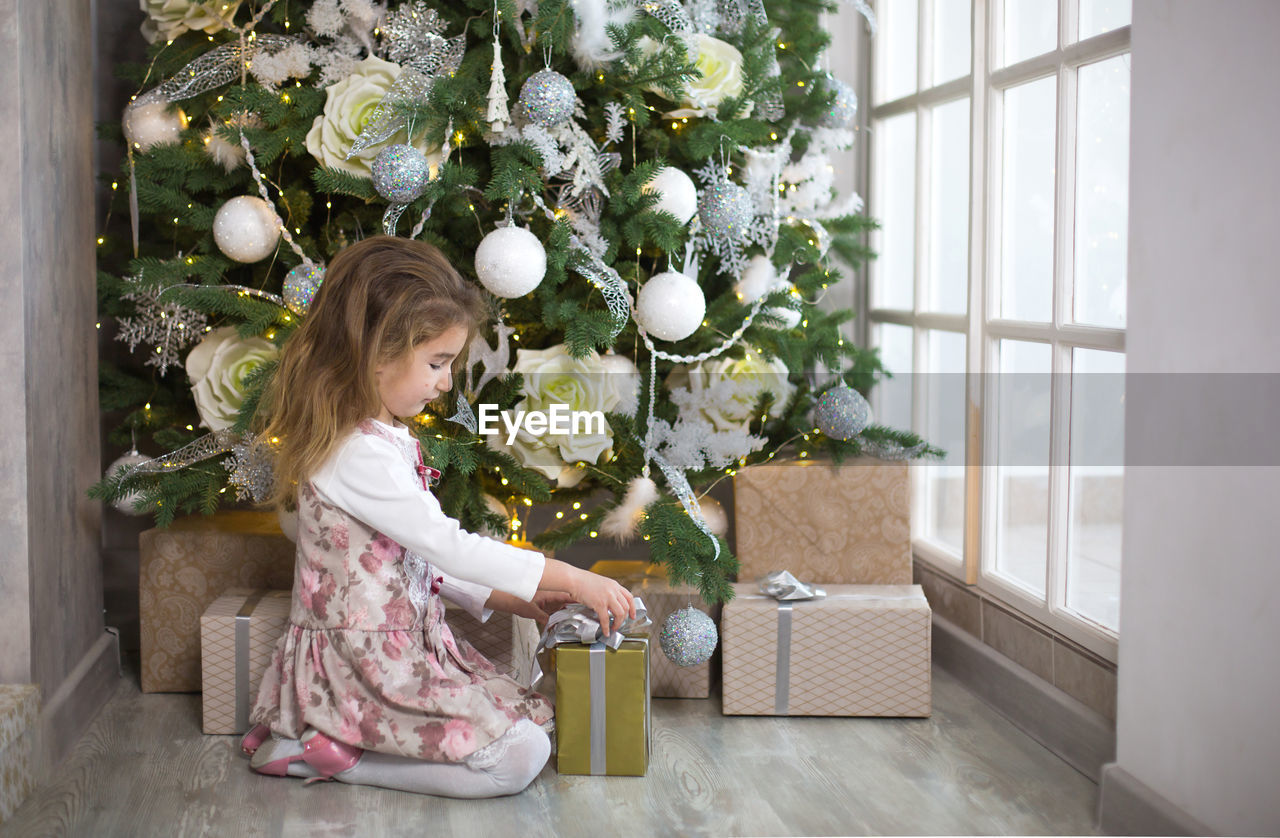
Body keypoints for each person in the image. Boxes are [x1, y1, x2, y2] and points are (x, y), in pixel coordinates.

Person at [240, 235, 635, 797]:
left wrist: (516, 600)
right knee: (519, 757)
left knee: (535, 722)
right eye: (437, 363)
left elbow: (418, 562)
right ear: (375, 355)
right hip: (367, 665)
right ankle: (323, 755)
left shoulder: (382, 441)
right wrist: (569, 575)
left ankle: (333, 747)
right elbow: (447, 544)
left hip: (404, 649)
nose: (447, 382)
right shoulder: (357, 452)